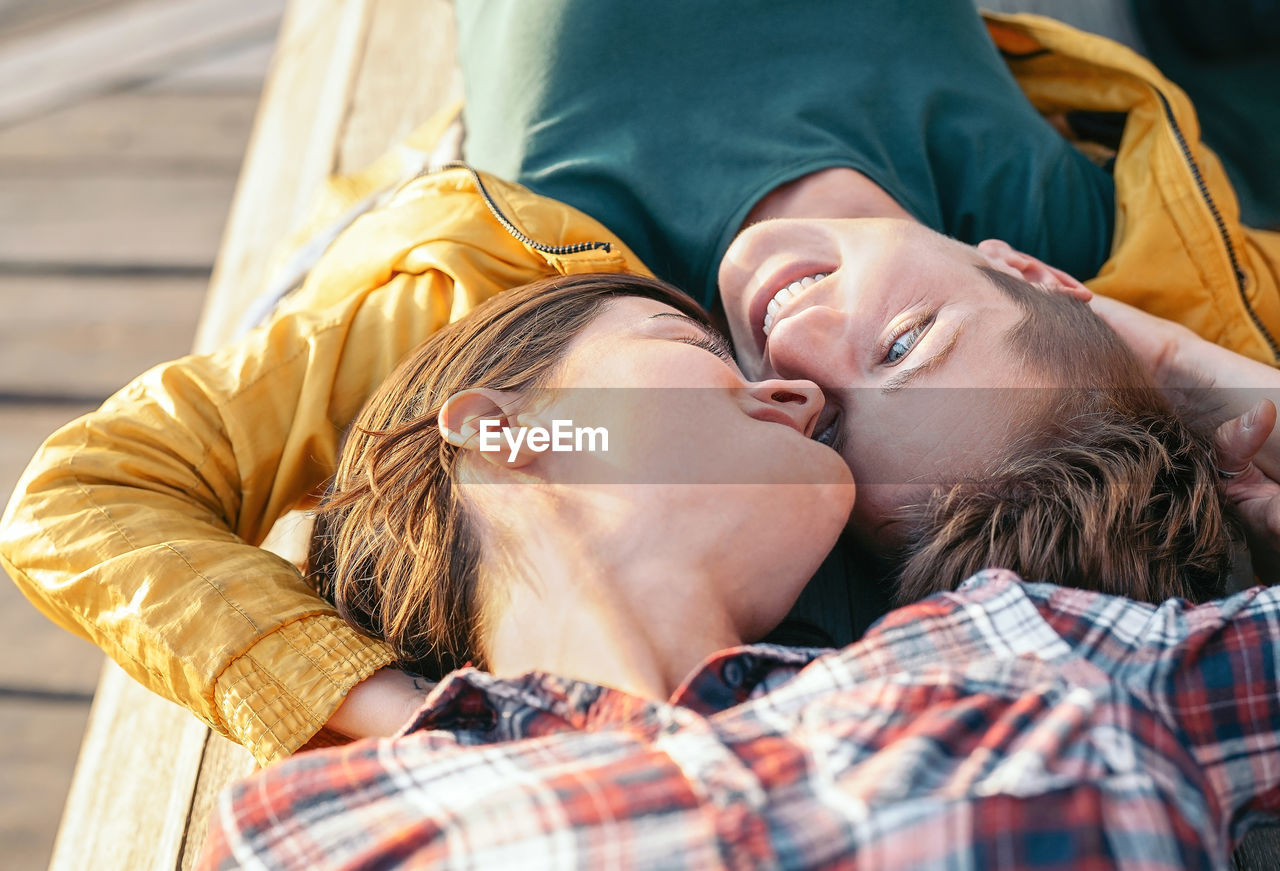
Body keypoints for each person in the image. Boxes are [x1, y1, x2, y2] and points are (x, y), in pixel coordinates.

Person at [3, 4, 1279, 765]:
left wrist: (398, 717)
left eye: (824, 419)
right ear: (1033, 274)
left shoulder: (540, 331)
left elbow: (85, 496)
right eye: (902, 346)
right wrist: (1170, 349)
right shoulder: (1060, 225)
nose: (802, 349)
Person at [196, 273, 1280, 870]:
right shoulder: (322, 826)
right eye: (700, 355)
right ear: (515, 434)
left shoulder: (1025, 639)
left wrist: (1196, 378)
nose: (796, 394)